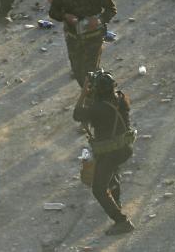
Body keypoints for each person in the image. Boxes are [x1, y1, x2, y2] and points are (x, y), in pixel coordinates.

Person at [73, 69, 136, 235]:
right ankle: (117, 203)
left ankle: (122, 221)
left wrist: (84, 91)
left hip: (110, 152)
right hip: (123, 149)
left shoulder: (99, 108)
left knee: (98, 189)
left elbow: (77, 114)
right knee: (112, 175)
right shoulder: (121, 98)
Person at [50, 0, 117, 86]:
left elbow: (111, 9)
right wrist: (65, 16)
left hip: (93, 37)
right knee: (77, 71)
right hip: (73, 37)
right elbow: (53, 12)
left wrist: (98, 20)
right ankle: (88, 92)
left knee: (90, 71)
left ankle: (92, 98)